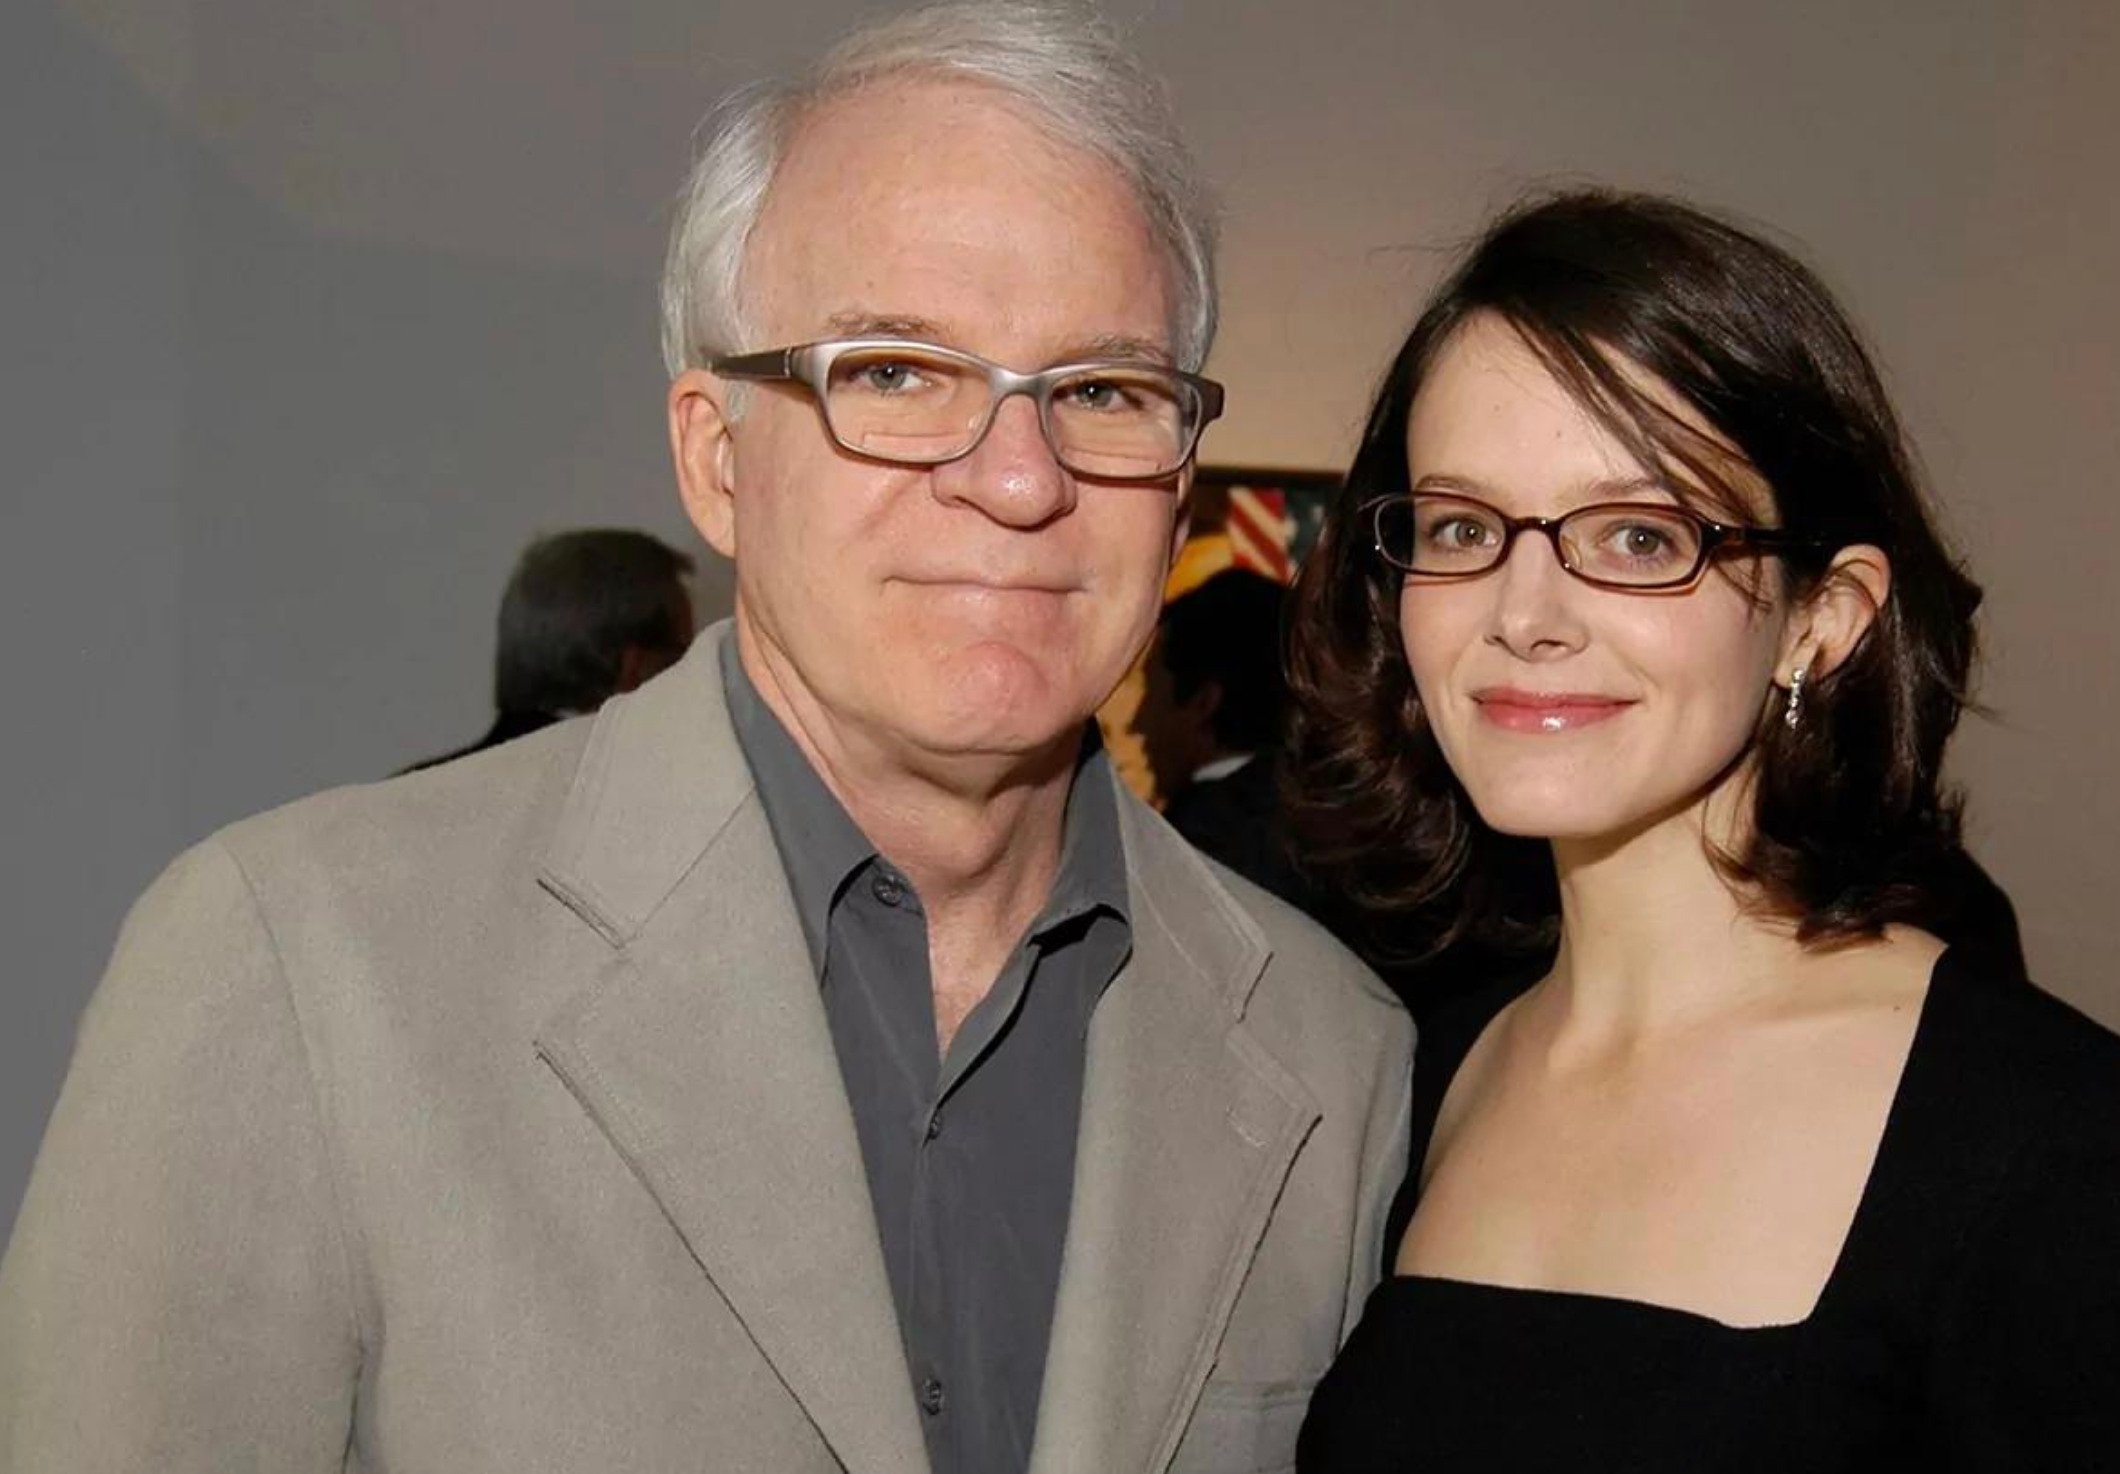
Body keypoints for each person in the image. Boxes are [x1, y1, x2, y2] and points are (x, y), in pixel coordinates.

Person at [0, 7, 1411, 1472]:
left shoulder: (1331, 1050)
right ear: (715, 459)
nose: (1015, 477)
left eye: (1102, 391)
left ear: (1176, 476)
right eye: (893, 370)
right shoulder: (298, 969)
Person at [1283, 189, 2120, 1471]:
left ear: (1818, 617)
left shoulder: (2051, 1135)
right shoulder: (1421, 1070)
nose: (1523, 610)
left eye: (1635, 533)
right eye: (1461, 526)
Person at [407, 527, 696, 770]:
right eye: (684, 654)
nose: (694, 673)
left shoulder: (408, 794)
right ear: (633, 669)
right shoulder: (637, 806)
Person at [1131, 570, 1309, 905]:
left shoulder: (1181, 848)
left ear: (1202, 703)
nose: (1136, 722)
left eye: (1150, 690)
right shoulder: (1347, 830)